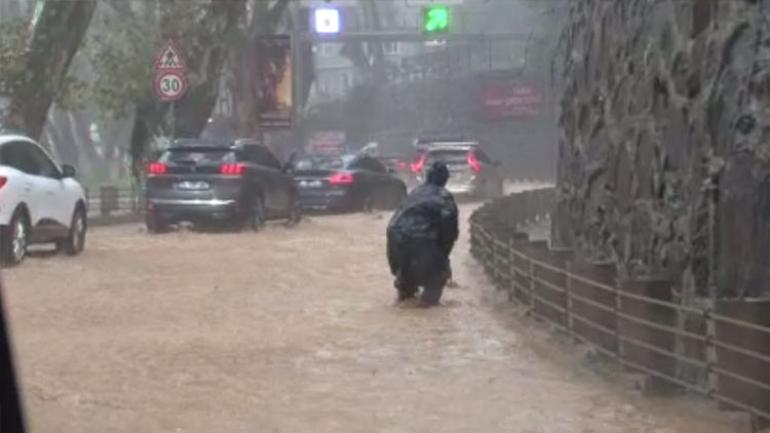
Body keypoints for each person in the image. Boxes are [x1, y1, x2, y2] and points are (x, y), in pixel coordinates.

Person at [386, 161, 459, 307]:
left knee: (405, 283)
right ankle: (427, 308)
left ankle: (404, 298)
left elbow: (396, 221)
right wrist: (443, 261)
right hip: (424, 240)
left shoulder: (415, 192)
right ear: (445, 179)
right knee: (434, 283)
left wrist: (398, 268)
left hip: (396, 237)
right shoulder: (444, 197)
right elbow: (449, 232)